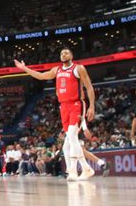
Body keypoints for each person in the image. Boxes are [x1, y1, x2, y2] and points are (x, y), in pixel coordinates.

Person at [14, 47, 96, 181]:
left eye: (66, 52)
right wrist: (25, 68)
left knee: (71, 136)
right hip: (63, 106)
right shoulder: (56, 70)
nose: (64, 54)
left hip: (76, 104)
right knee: (69, 140)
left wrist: (92, 106)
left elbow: (89, 87)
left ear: (72, 55)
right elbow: (40, 76)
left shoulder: (78, 68)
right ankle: (82, 169)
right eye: (62, 53)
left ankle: (81, 170)